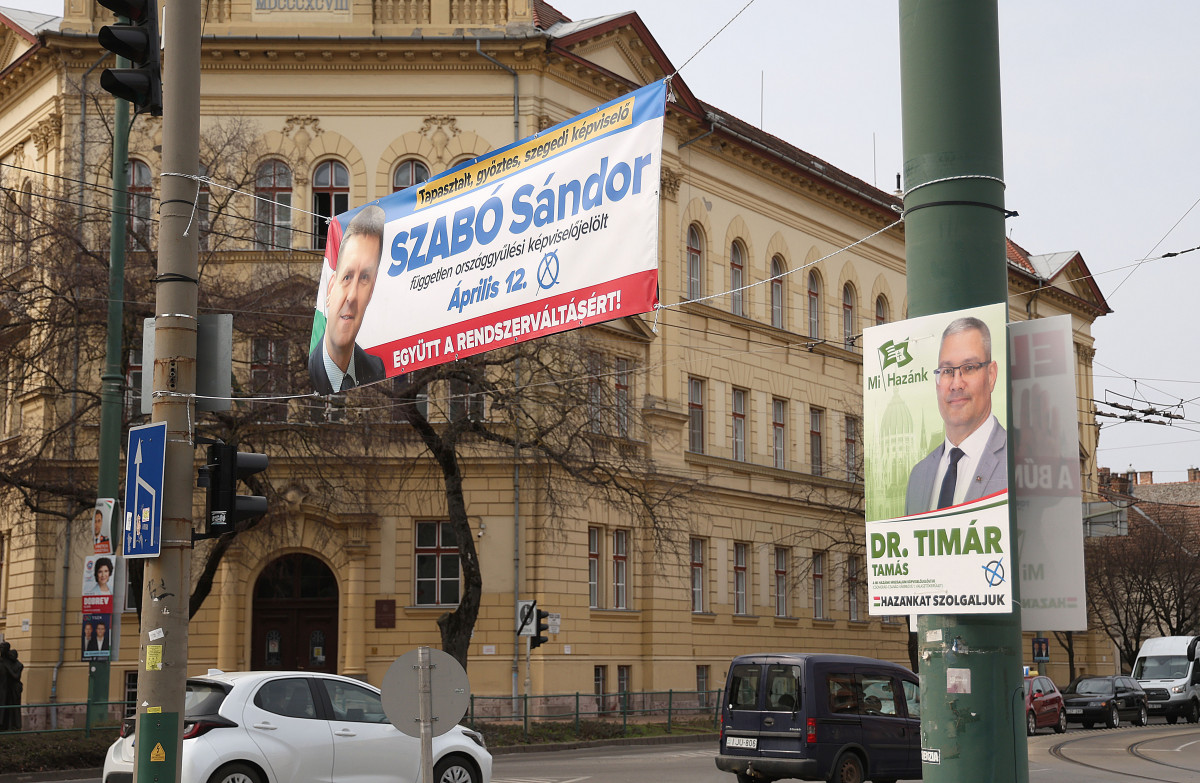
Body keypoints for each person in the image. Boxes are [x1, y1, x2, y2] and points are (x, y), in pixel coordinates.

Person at [905, 316, 1008, 515]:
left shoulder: (1019, 462)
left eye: (969, 368)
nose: (956, 384)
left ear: (991, 375)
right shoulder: (918, 476)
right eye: (947, 371)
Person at [308, 205, 387, 394]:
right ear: (330, 287)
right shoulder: (306, 369)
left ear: (372, 290)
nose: (352, 297)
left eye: (364, 278)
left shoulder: (377, 368)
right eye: (347, 277)